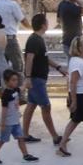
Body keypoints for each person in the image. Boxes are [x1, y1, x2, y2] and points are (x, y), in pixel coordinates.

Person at [21, 13, 63, 145]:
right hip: (36, 79)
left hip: (37, 79)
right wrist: (28, 77)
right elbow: (29, 59)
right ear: (43, 25)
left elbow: (44, 58)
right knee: (46, 106)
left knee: (31, 105)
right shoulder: (34, 40)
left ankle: (24, 134)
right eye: (46, 22)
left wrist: (58, 67)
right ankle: (55, 136)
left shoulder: (38, 39)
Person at [0, 69, 38, 164]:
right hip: (8, 123)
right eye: (13, 80)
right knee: (2, 140)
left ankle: (26, 155)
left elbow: (21, 88)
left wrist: (26, 82)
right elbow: (4, 110)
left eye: (16, 80)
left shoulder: (15, 90)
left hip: (15, 121)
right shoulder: (6, 95)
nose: (16, 82)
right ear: (6, 82)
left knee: (21, 138)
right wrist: (2, 124)